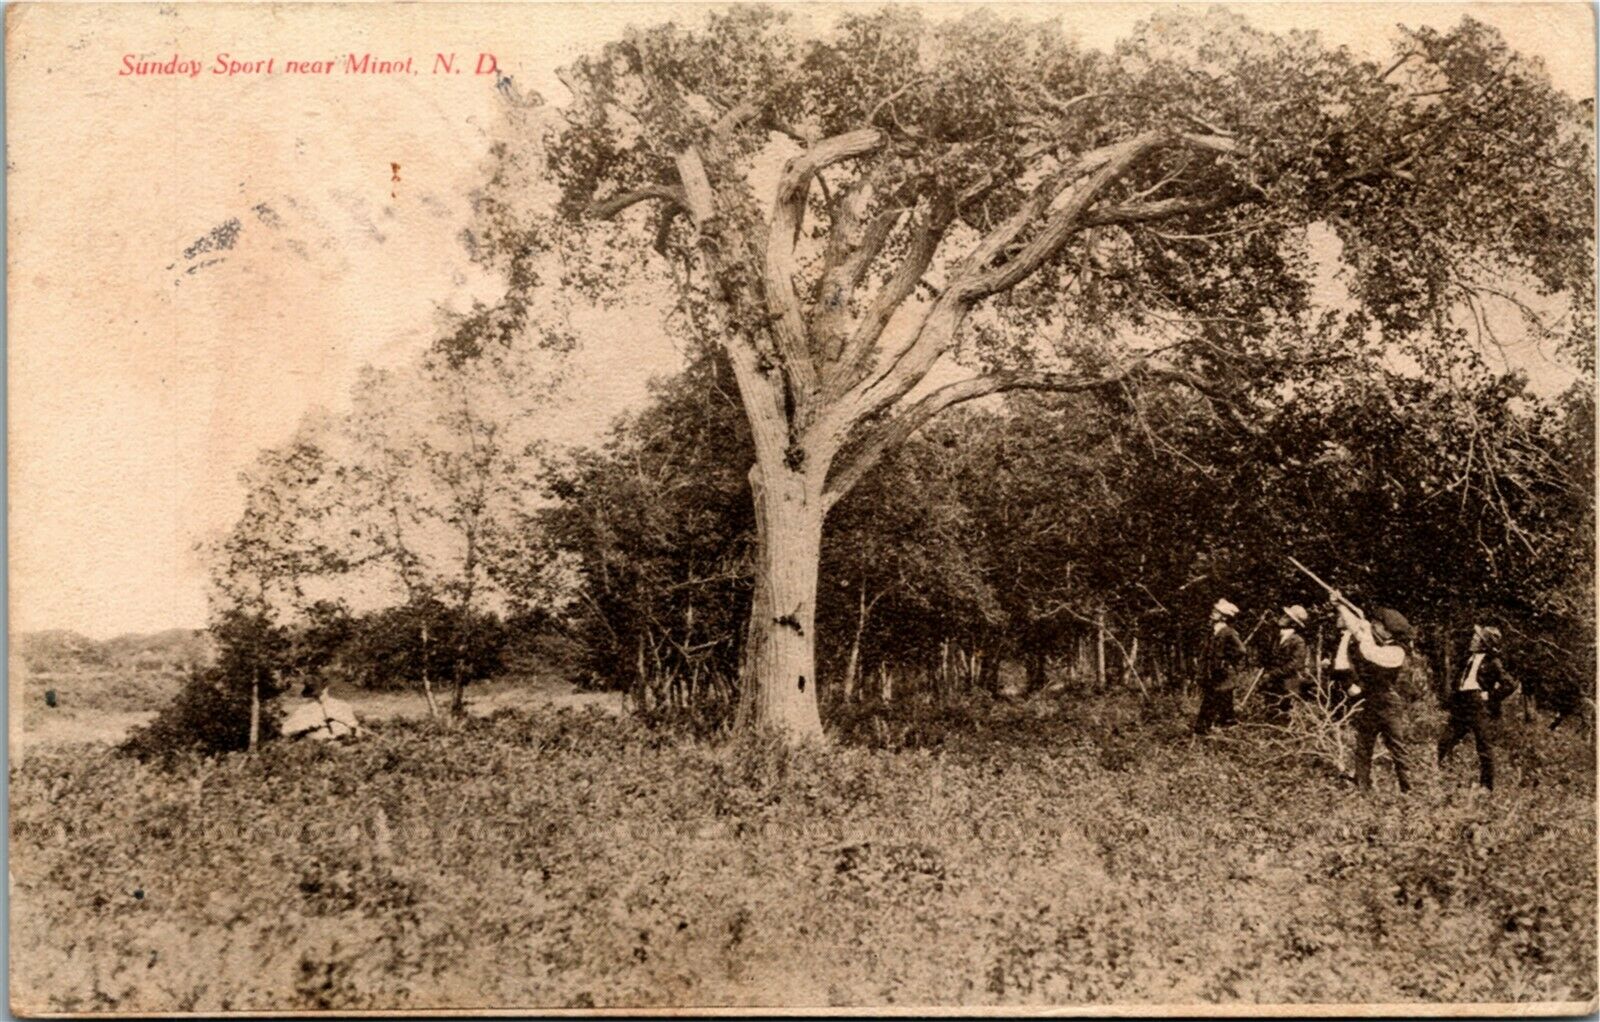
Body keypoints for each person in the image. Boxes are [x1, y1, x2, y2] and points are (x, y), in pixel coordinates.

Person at [1330, 594, 1415, 793]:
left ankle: (1408, 791)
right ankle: (1363, 788)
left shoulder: (1397, 652)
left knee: (1397, 749)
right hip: (1372, 701)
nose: (1373, 626)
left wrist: (1365, 629)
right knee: (1363, 747)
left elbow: (1369, 652)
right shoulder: (1380, 641)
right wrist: (1340, 605)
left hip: (1389, 704)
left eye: (1377, 624)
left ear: (1388, 631)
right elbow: (1356, 627)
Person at [1437, 624, 1518, 791]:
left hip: (1478, 706)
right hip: (1462, 704)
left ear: (1484, 643)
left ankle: (1487, 787)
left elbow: (1509, 684)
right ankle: (1443, 778)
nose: (1473, 640)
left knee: (1483, 745)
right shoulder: (1469, 658)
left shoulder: (1493, 662)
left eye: (1477, 638)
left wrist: (1490, 696)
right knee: (1445, 741)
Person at [1194, 598, 1247, 734]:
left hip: (1223, 675)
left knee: (1212, 701)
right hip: (1215, 674)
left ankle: (1202, 730)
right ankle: (1226, 729)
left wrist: (1227, 662)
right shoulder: (1214, 631)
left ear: (1224, 617)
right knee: (1224, 703)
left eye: (1216, 612)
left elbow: (1241, 650)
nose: (1213, 613)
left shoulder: (1228, 632)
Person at [1260, 604, 1311, 720]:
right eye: (1284, 615)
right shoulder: (1277, 637)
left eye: (1287, 617)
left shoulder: (1298, 641)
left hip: (1287, 684)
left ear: (1294, 623)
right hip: (1273, 683)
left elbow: (1294, 665)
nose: (1282, 617)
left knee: (1283, 715)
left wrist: (1272, 674)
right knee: (1270, 712)